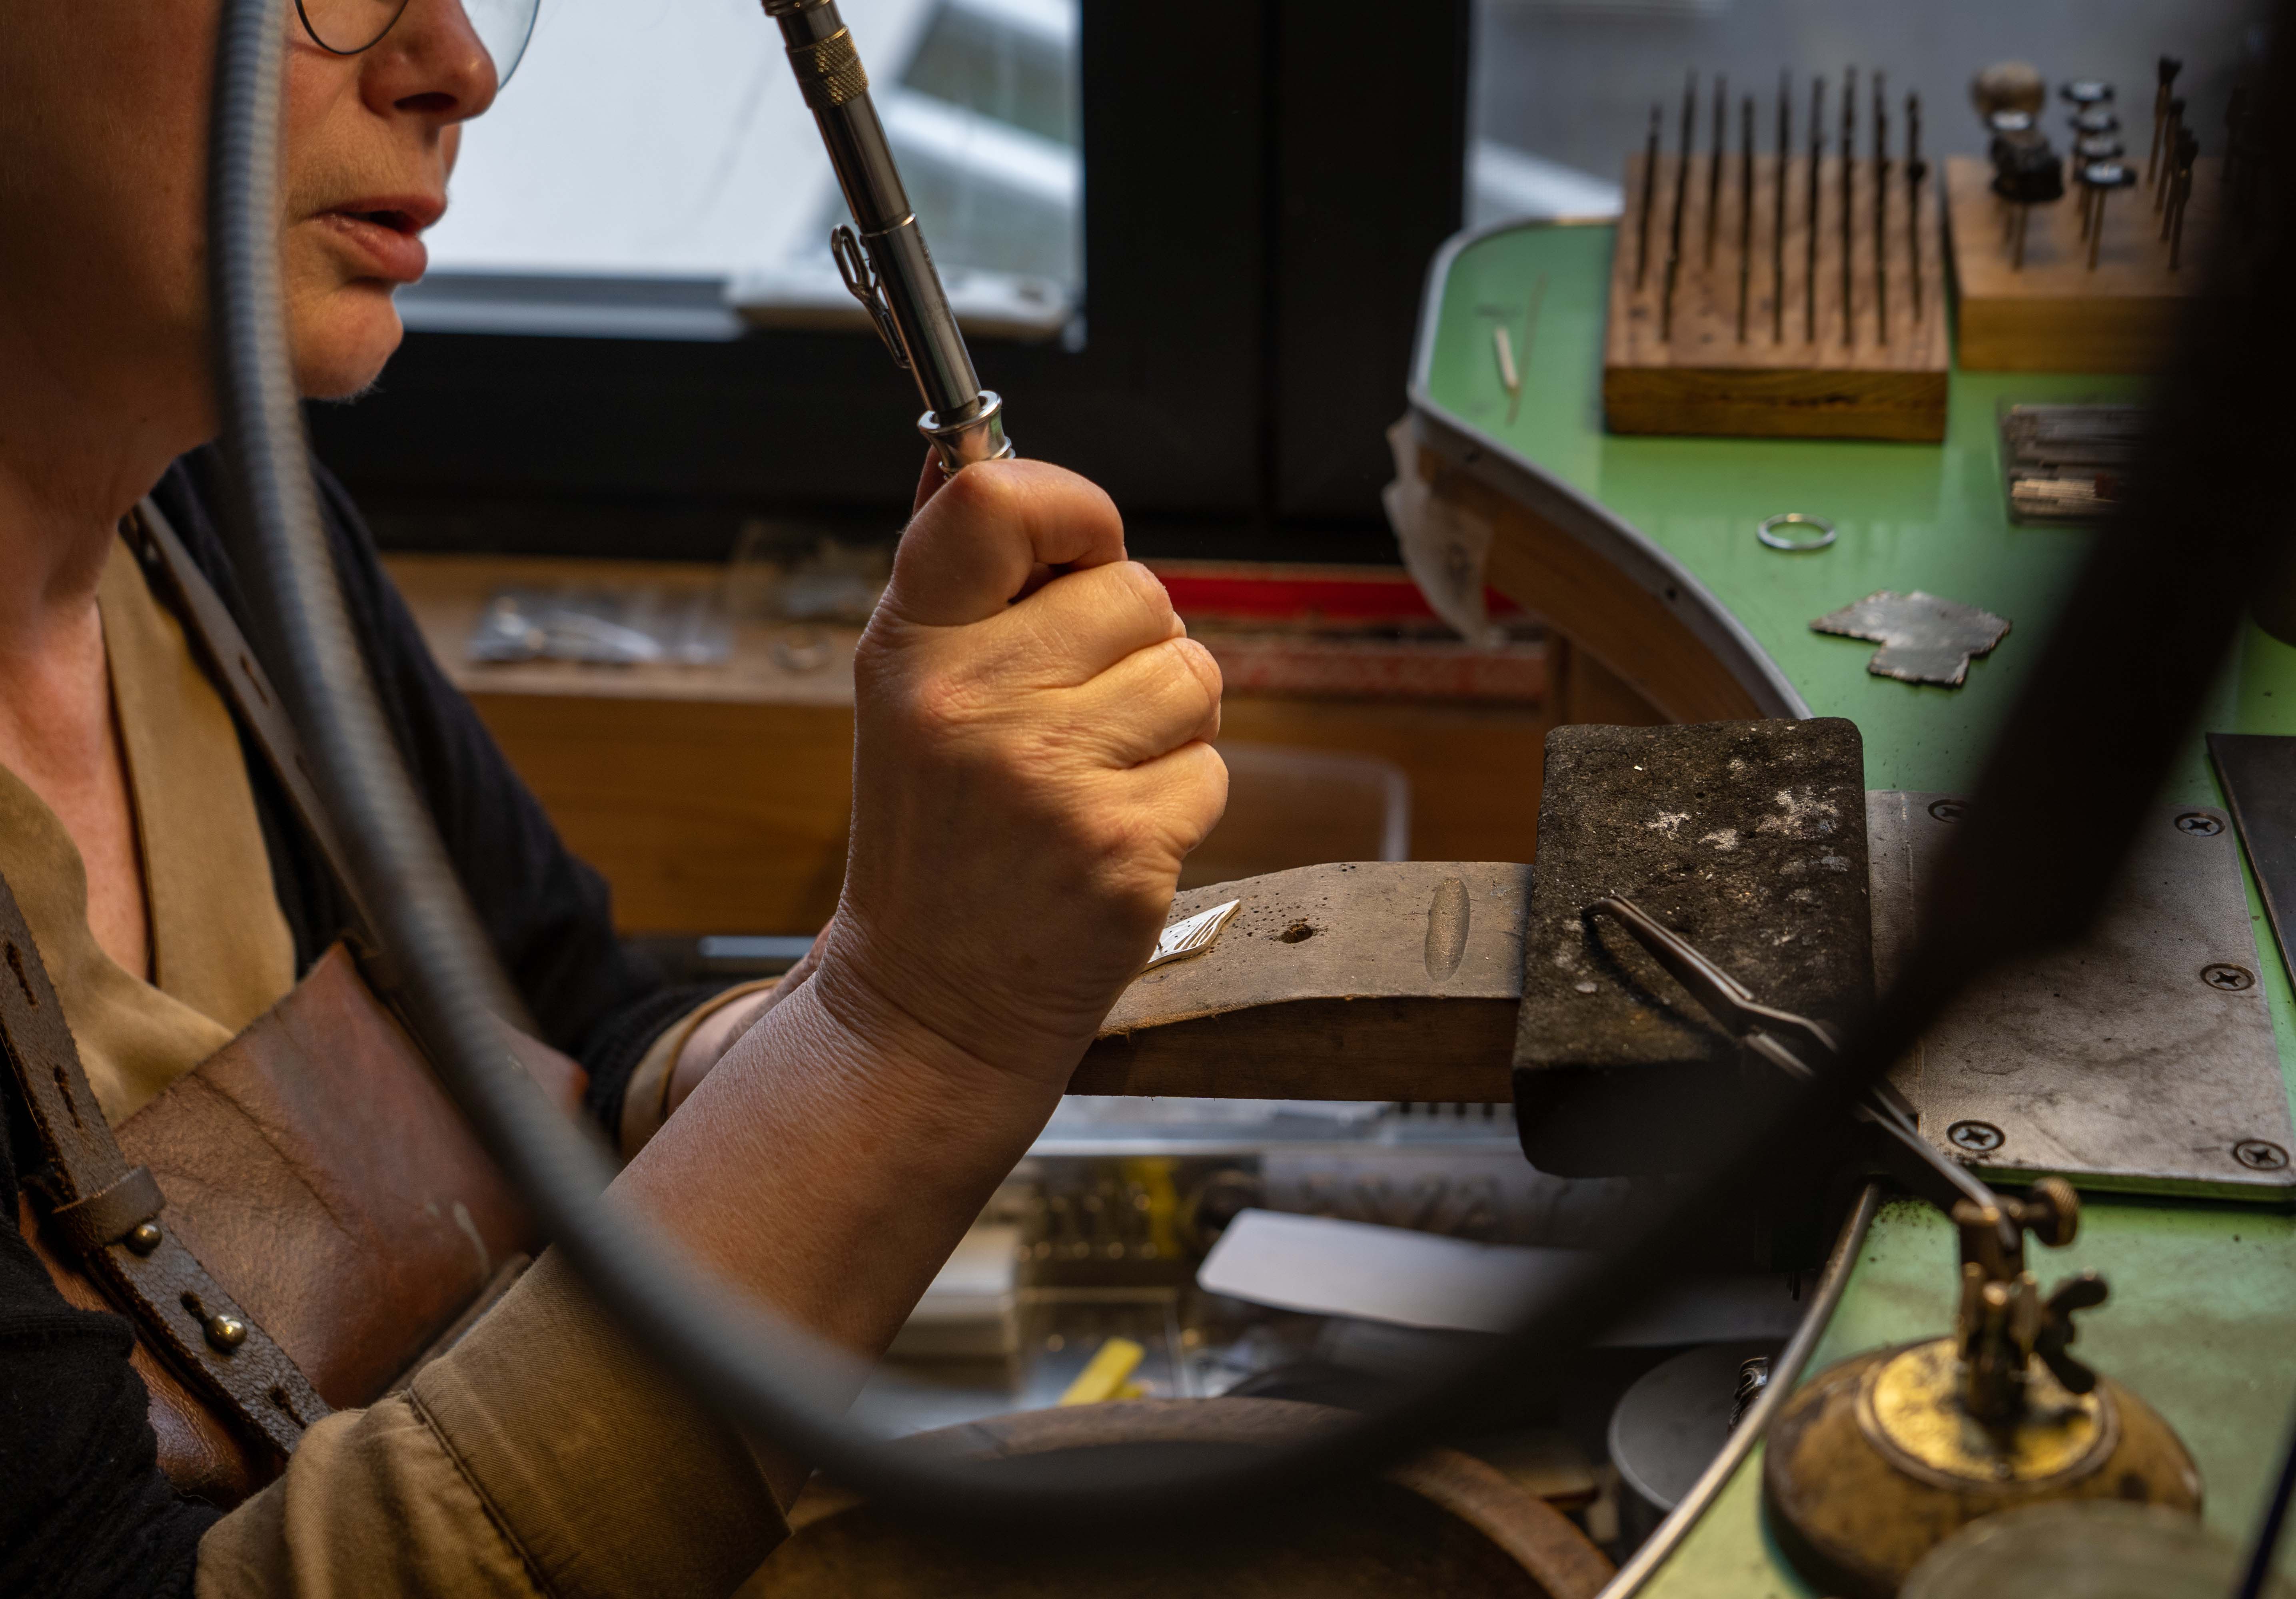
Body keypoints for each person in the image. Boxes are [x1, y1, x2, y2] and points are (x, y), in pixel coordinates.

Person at [0, 0, 1226, 1594]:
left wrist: (906, 950)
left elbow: (582, 1035)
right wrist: (913, 1026)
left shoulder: (223, 530)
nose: (455, 66)